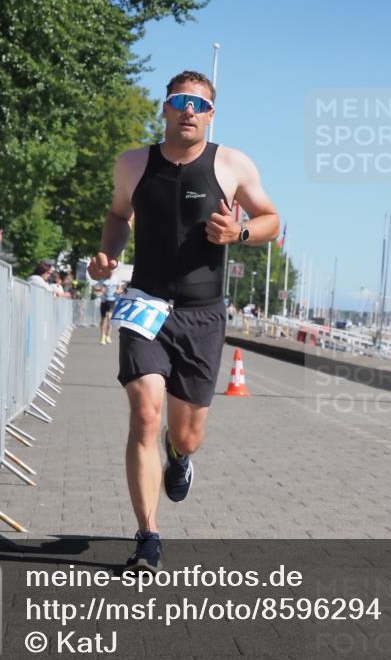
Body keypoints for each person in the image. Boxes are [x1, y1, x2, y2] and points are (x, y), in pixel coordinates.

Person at [88, 70, 280, 572]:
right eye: (179, 101)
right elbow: (116, 217)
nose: (188, 110)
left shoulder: (232, 164)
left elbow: (271, 221)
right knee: (145, 413)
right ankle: (148, 536)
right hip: (146, 303)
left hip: (202, 314)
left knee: (186, 433)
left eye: (199, 104)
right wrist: (108, 255)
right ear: (166, 108)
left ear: (211, 114)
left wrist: (238, 233)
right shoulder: (133, 163)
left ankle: (179, 455)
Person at [95, 278, 120, 344]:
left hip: (112, 301)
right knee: (103, 319)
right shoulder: (102, 279)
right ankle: (102, 336)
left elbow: (119, 289)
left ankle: (108, 335)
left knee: (109, 318)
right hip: (104, 301)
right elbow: (95, 288)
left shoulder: (117, 279)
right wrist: (100, 289)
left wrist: (118, 291)